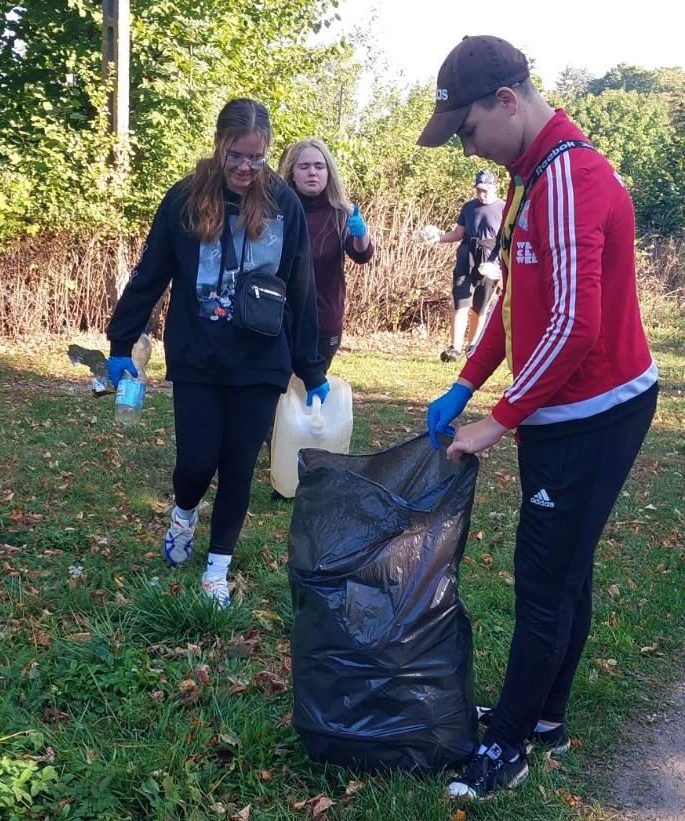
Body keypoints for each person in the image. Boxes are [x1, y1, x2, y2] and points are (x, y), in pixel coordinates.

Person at [418, 36, 658, 799]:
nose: (465, 145)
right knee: (565, 569)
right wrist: (465, 381)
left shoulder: (570, 178)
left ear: (507, 101)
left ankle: (510, 744)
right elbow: (523, 310)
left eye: (466, 128)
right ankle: (546, 715)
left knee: (544, 577)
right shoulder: (532, 174)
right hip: (569, 405)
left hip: (593, 411)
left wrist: (497, 419)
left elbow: (575, 327)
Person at [106, 98, 329, 608]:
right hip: (198, 355)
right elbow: (151, 272)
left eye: (257, 157)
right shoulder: (185, 198)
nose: (246, 168)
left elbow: (300, 285)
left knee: (238, 466)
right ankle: (184, 513)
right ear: (220, 145)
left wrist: (311, 366)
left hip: (261, 357)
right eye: (236, 156)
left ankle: (217, 569)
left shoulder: (282, 203)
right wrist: (122, 340)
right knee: (196, 462)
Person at [279, 139, 374, 371]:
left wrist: (360, 233)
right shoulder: (277, 210)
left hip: (324, 322)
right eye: (304, 166)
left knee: (309, 397)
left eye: (319, 166)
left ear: (328, 172)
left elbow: (362, 256)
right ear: (292, 172)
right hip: (280, 320)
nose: (312, 172)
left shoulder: (341, 213)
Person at [419, 170, 504, 362]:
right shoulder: (468, 207)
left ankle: (473, 346)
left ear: (494, 188)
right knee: (461, 302)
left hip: (490, 258)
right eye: (479, 190)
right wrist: (437, 238)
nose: (482, 194)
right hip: (467, 257)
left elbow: (506, 241)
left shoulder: (503, 209)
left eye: (486, 190)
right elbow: (458, 234)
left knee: (480, 306)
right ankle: (454, 348)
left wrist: (496, 265)